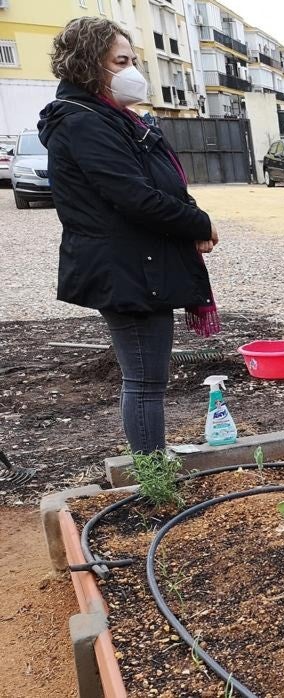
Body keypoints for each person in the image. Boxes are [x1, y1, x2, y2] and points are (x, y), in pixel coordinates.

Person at [40, 17, 219, 455]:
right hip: (127, 272)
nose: (133, 70)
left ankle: (152, 467)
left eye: (133, 60)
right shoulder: (84, 122)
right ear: (88, 65)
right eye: (121, 61)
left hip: (141, 265)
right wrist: (197, 223)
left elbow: (158, 184)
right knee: (144, 381)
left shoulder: (111, 117)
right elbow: (134, 197)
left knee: (148, 379)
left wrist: (190, 214)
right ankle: (152, 477)